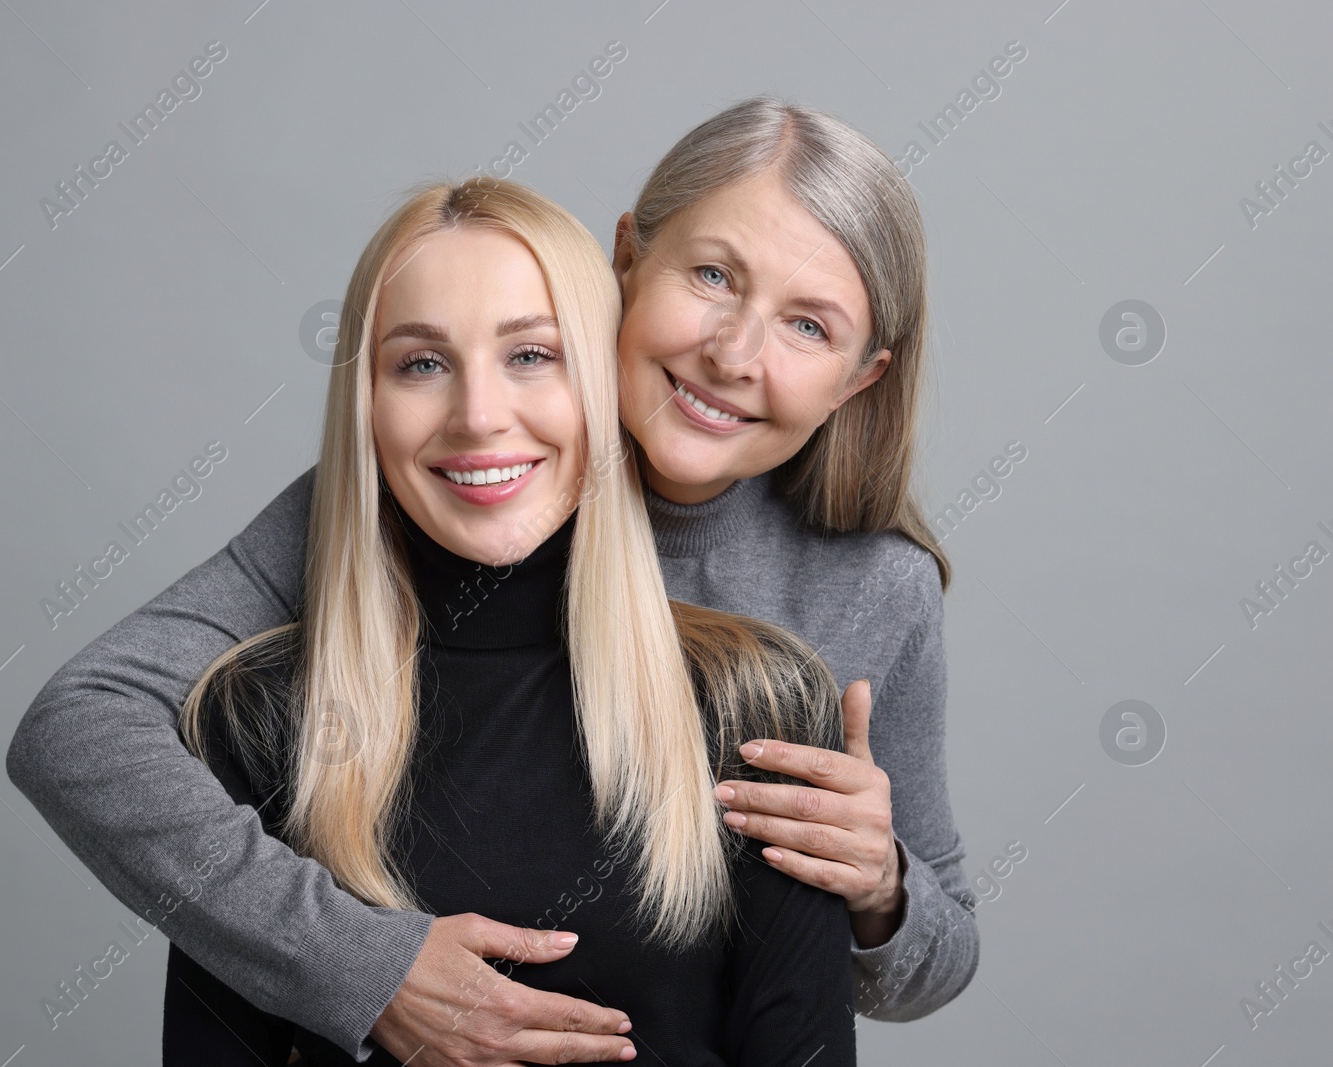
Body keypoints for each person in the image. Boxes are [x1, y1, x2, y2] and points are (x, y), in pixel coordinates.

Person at [7, 95, 976, 1064]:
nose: (732, 354)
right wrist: (360, 960)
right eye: (714, 275)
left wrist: (879, 881)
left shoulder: (870, 592)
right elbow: (81, 725)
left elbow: (933, 958)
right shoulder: (452, 481)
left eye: (808, 326)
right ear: (626, 259)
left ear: (859, 377)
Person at [161, 177, 857, 1065]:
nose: (479, 416)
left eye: (532, 355)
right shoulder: (255, 716)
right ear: (365, 407)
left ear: (600, 386)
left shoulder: (759, 700)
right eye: (421, 363)